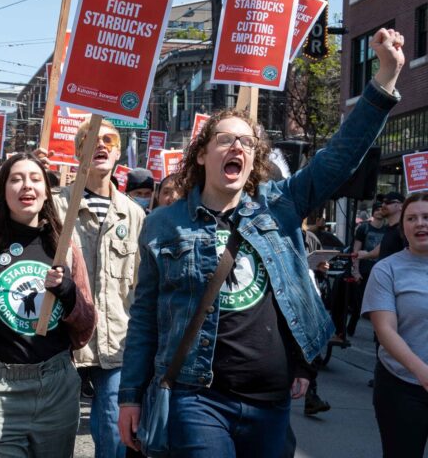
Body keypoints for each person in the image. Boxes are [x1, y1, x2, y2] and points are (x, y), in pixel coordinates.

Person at [118, 28, 405, 457]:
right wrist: (130, 395)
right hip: (197, 393)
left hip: (270, 398)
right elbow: (145, 316)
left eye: (247, 142)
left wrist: (385, 78)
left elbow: (341, 156)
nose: (237, 146)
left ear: (253, 159)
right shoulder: (163, 224)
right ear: (201, 154)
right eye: (225, 139)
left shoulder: (281, 205)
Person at [0, 152, 96, 456]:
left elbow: (86, 325)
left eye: (34, 179)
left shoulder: (64, 249)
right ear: (3, 192)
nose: (26, 186)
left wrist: (67, 291)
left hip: (56, 388)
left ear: (46, 192)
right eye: (16, 179)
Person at [53, 120, 145, 458]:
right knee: (56, 433)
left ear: (119, 152)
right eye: (90, 140)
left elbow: (141, 285)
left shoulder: (134, 215)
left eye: (109, 140)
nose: (100, 145)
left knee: (112, 432)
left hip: (116, 344)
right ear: (78, 152)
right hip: (64, 343)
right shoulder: (55, 208)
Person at [362, 192, 428, 458]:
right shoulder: (386, 270)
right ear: (403, 228)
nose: (420, 224)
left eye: (426, 217)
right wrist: (422, 372)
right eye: (411, 218)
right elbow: (385, 330)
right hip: (402, 387)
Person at [349, 202, 387, 336]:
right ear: (373, 213)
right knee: (359, 303)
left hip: (381, 272)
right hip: (364, 271)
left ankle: (378, 336)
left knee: (380, 305)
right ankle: (350, 329)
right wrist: (356, 271)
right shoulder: (364, 228)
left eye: (381, 209)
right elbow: (356, 251)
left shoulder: (388, 230)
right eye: (376, 209)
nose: (379, 211)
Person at [358, 191, 406, 263]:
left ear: (401, 206)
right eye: (382, 202)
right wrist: (366, 255)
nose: (383, 205)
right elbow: (382, 247)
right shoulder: (389, 228)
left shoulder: (404, 229)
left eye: (388, 202)